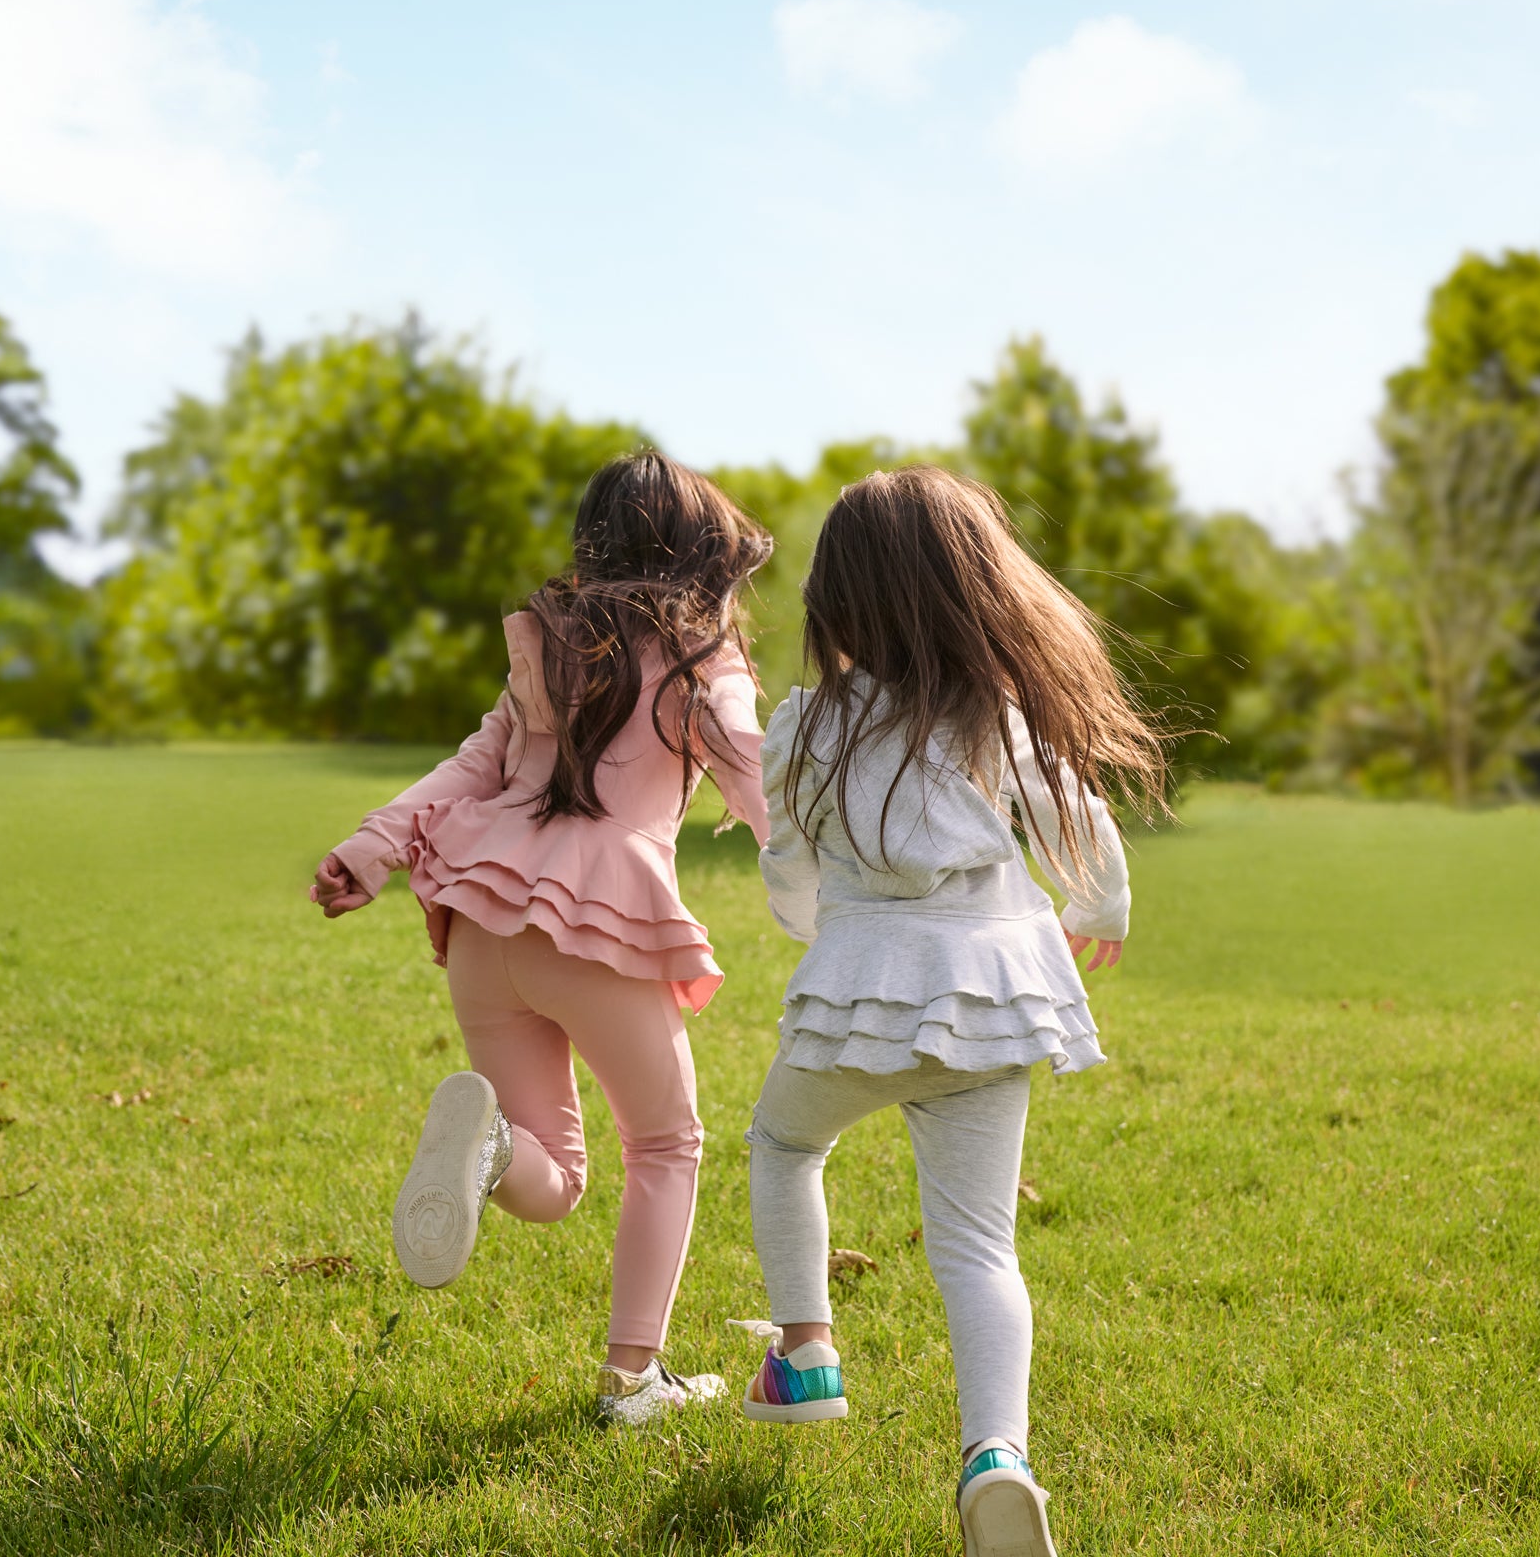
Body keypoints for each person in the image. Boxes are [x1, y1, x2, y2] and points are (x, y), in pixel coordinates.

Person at [732, 466, 1168, 1556]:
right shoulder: (1001, 714)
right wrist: (1097, 909)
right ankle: (996, 1458)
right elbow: (1085, 828)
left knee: (784, 1142)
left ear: (837, 598)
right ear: (977, 586)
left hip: (861, 992)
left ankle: (806, 1353)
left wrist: (815, 931)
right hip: (992, 997)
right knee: (979, 1248)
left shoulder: (807, 724)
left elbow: (789, 867)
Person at [310, 450, 773, 1425]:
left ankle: (486, 1152)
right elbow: (752, 768)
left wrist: (369, 847)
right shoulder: (699, 655)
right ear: (697, 553)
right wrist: (837, 867)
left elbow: (468, 768)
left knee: (552, 1177)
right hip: (596, 928)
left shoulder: (542, 646)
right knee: (665, 1142)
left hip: (482, 930)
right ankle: (631, 1380)